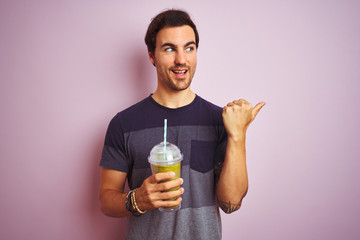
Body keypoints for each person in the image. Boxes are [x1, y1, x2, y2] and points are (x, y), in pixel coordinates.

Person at [99, 9, 265, 239]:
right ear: (151, 55)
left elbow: (231, 203)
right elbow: (106, 200)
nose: (181, 59)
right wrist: (137, 200)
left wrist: (238, 135)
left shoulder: (220, 121)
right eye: (169, 49)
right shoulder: (123, 124)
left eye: (189, 48)